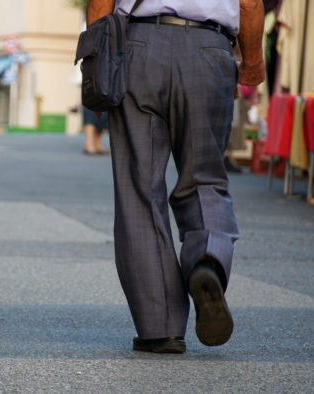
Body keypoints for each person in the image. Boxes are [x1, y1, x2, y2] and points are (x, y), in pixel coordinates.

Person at [86, 0, 265, 353]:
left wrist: (96, 64)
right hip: (208, 48)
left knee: (139, 187)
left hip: (137, 50)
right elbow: (250, 4)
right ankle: (206, 261)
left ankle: (160, 326)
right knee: (206, 177)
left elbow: (100, 3)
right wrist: (253, 62)